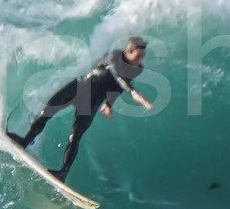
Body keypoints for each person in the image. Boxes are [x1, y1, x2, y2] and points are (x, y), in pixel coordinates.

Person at [10, 35, 153, 180]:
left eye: (143, 56)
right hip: (80, 87)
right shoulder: (115, 54)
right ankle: (25, 141)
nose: (140, 60)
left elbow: (117, 88)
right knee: (46, 112)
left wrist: (109, 104)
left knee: (75, 135)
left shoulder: (137, 69)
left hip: (92, 101)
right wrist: (133, 91)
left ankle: (63, 172)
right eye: (138, 56)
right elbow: (116, 74)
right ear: (128, 51)